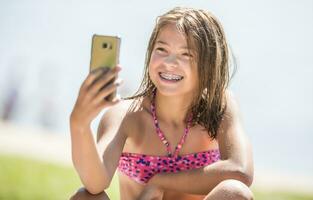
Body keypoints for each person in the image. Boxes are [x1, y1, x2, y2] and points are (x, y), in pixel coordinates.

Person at [69, 7, 254, 200]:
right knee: (85, 197)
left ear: (209, 64)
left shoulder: (219, 106)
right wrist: (79, 125)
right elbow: (95, 183)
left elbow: (240, 170)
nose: (170, 62)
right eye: (162, 49)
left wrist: (160, 181)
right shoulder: (125, 115)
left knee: (235, 192)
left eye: (186, 54)